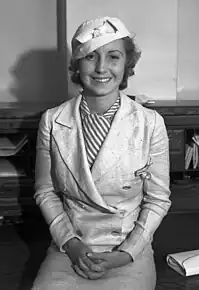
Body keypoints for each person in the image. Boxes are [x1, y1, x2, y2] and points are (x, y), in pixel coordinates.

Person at [32, 16, 171, 290]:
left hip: (128, 249)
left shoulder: (150, 123)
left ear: (126, 64)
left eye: (113, 57)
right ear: (76, 64)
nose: (101, 68)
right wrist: (71, 245)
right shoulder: (52, 120)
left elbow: (158, 199)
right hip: (69, 246)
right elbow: (45, 192)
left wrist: (126, 253)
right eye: (90, 57)